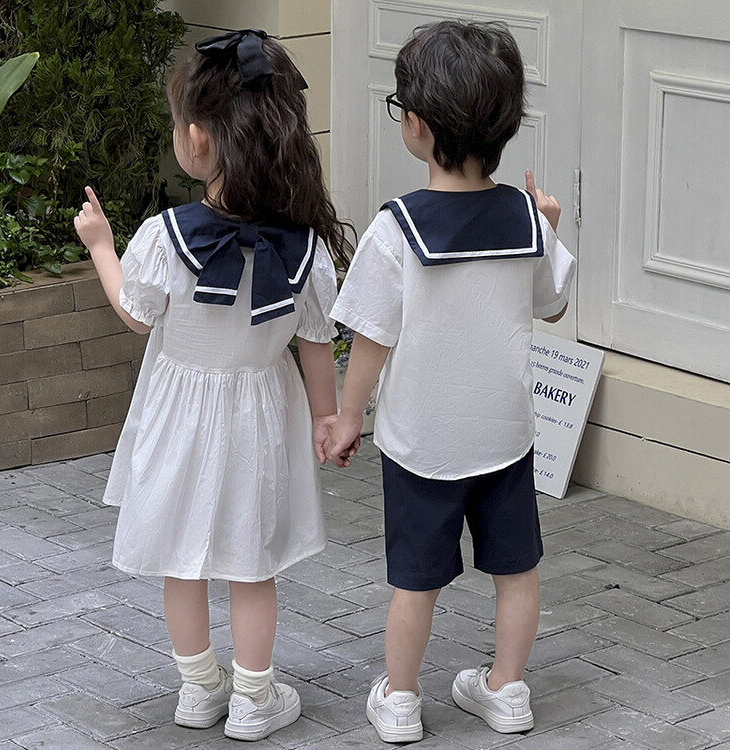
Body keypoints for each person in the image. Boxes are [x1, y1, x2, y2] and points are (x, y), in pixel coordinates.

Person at [74, 29, 352, 742]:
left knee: (183, 558)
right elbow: (315, 340)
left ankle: (199, 689)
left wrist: (101, 246)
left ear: (197, 138)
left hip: (177, 417)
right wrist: (327, 417)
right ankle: (255, 699)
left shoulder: (164, 237)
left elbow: (135, 314)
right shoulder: (305, 247)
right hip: (261, 415)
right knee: (251, 565)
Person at [325, 20, 576, 744]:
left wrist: (348, 418)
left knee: (416, 579)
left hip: (421, 441)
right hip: (506, 433)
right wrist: (549, 227)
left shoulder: (397, 229)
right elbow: (553, 305)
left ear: (419, 125)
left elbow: (371, 338)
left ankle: (402, 700)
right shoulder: (526, 218)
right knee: (516, 570)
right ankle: (507, 690)